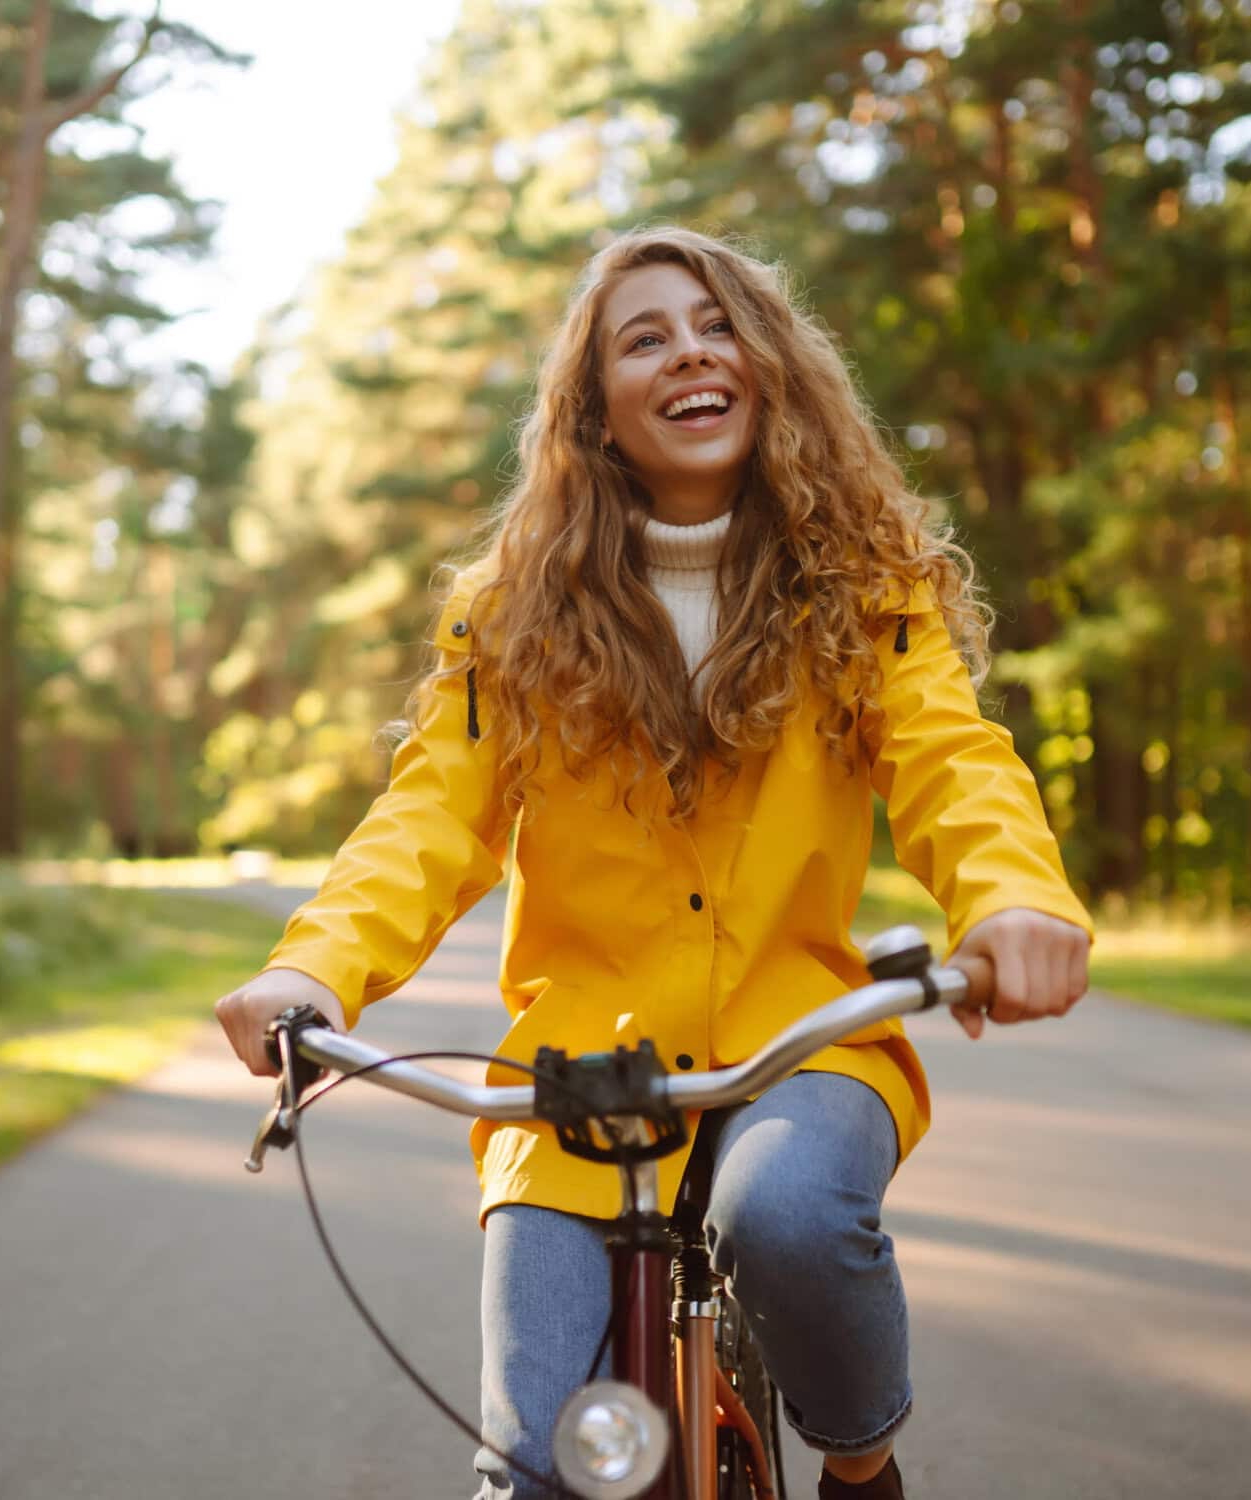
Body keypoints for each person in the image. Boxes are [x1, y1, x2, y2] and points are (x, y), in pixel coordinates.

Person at [215, 226, 1091, 1499]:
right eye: (645, 337)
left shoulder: (867, 589)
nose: (689, 351)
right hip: (577, 1075)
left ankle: (861, 1468)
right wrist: (315, 971)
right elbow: (428, 821)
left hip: (802, 1040)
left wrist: (1014, 901)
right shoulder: (510, 615)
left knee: (786, 1219)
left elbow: (954, 763)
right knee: (525, 1470)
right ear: (597, 413)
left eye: (717, 324)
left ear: (767, 365)